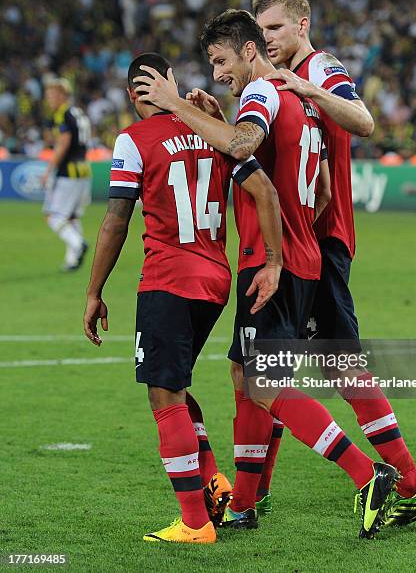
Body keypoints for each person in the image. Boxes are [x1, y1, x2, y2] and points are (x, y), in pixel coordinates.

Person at [134, 10, 399, 539]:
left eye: (221, 61)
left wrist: (176, 107)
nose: (217, 74)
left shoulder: (263, 95)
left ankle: (368, 474)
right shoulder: (301, 102)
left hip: (270, 261)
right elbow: (321, 188)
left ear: (248, 51)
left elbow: (240, 146)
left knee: (261, 384)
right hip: (305, 256)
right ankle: (247, 502)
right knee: (244, 376)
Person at [253, 0, 416, 526]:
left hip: (323, 240)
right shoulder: (281, 80)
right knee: (282, 366)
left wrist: (306, 87)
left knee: (308, 370)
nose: (268, 39)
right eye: (261, 31)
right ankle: (254, 494)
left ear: (302, 24)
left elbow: (363, 122)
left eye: (276, 28)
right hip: (307, 239)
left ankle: (404, 482)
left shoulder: (322, 66)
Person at [83, 52, 283, 545]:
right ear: (171, 83)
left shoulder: (132, 141)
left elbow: (115, 220)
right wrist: (273, 257)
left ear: (133, 96)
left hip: (168, 278)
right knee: (172, 383)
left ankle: (195, 522)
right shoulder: (211, 130)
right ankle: (213, 480)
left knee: (162, 392)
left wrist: (93, 291)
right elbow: (262, 189)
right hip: (214, 280)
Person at [41, 78, 91, 271]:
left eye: (52, 95)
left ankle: (78, 244)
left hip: (68, 172)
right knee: (71, 217)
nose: (49, 99)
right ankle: (72, 260)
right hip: (84, 170)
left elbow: (64, 143)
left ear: (62, 95)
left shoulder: (63, 114)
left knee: (53, 216)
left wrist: (48, 169)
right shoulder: (77, 112)